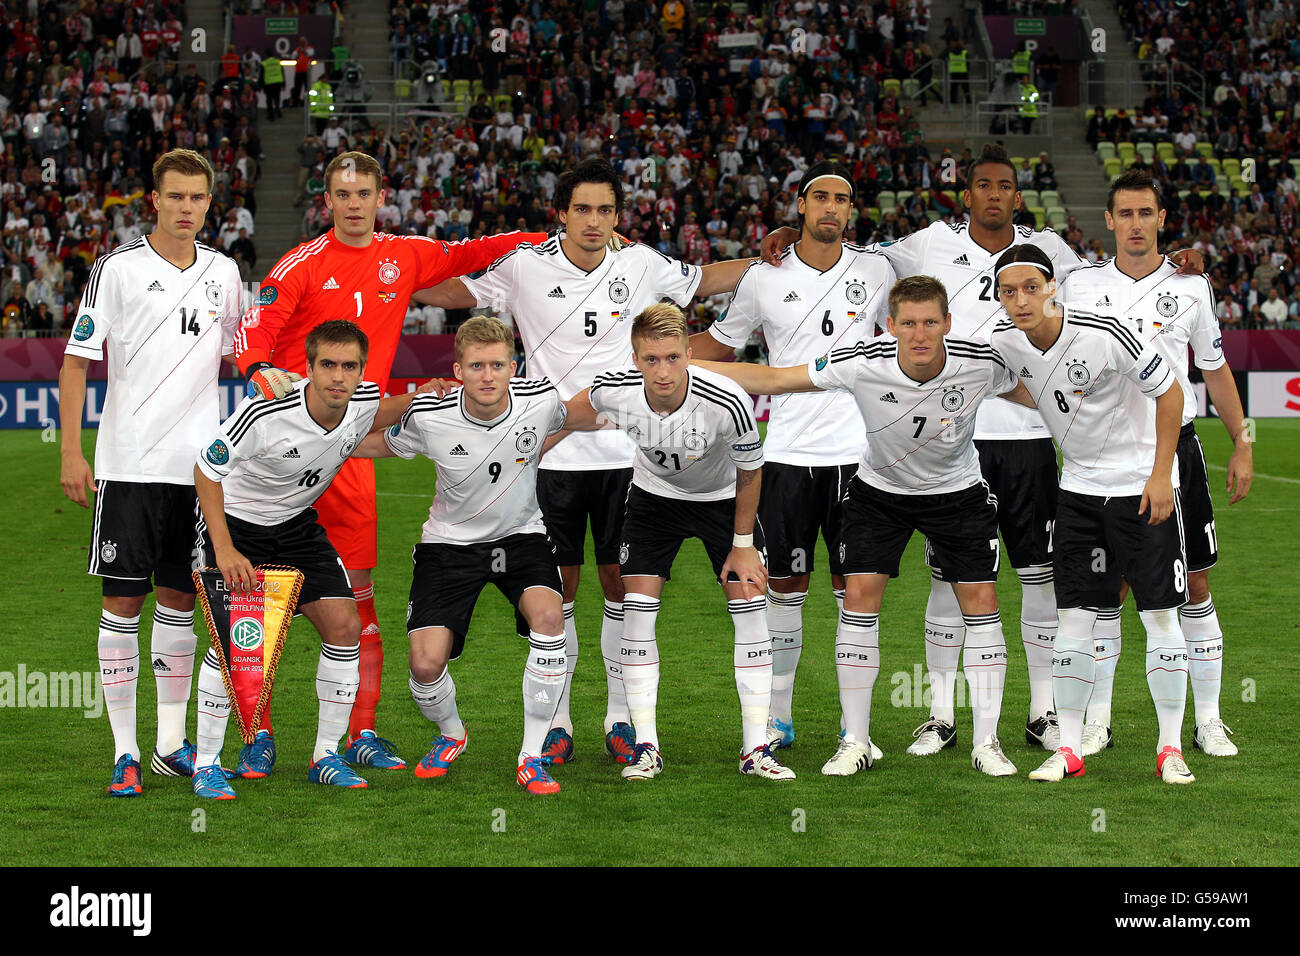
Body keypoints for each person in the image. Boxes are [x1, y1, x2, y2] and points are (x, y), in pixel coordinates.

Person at [417, 158, 771, 768]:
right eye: (582, 209)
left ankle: (617, 718)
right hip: (549, 454)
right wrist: (390, 276)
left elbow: (704, 279)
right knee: (560, 590)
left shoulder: (639, 263)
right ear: (561, 213)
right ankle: (557, 723)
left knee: (620, 588)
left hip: (627, 459)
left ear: (617, 215)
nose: (594, 221)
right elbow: (457, 292)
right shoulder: (525, 266)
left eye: (605, 210)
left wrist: (772, 263)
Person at [230, 150, 546, 778]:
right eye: (342, 194)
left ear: (380, 198)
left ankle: (360, 733)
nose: (353, 204)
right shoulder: (302, 263)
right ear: (328, 201)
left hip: (349, 452)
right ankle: (257, 734)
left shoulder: (403, 256)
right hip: (289, 449)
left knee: (356, 595)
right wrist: (259, 369)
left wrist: (551, 237)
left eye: (364, 194)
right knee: (259, 604)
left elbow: (470, 252)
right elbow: (254, 329)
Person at [699, 276, 1033, 778]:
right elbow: (775, 380)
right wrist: (686, 363)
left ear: (947, 323)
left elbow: (1039, 393)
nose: (919, 335)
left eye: (930, 323)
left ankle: (987, 742)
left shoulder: (981, 362)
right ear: (891, 324)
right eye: (909, 323)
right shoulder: (861, 361)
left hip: (958, 493)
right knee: (858, 599)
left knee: (982, 604)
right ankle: (854, 740)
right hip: (880, 494)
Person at [689, 162, 895, 753]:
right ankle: (777, 717)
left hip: (863, 457)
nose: (832, 207)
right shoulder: (762, 275)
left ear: (851, 212)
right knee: (784, 587)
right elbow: (723, 344)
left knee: (856, 589)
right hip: (786, 455)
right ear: (801, 207)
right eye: (821, 197)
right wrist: (662, 350)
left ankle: (856, 729)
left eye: (843, 199)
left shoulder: (877, 269)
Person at [58, 149, 244, 797]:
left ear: (209, 203)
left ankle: (170, 744)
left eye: (198, 198)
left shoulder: (225, 272)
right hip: (128, 464)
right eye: (177, 197)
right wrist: (71, 453)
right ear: (154, 201)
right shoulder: (117, 270)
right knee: (122, 602)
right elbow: (77, 362)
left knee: (179, 601)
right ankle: (125, 751)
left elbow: (242, 353)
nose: (187, 208)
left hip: (196, 473)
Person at [1057, 170, 1252, 758]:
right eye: (1126, 214)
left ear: (1161, 220)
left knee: (1193, 584)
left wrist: (1242, 441)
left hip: (1177, 452)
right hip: (1105, 456)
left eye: (1147, 213)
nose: (1137, 225)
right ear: (1109, 221)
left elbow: (1214, 368)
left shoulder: (1191, 286)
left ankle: (1209, 720)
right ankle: (1097, 720)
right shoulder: (1079, 285)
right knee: (1105, 592)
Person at [989, 245, 1195, 785]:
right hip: (1077, 491)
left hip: (1140, 490)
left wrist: (1159, 475)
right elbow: (1014, 381)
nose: (1020, 299)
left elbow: (1171, 394)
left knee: (1159, 616)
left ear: (1053, 287)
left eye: (1031, 287)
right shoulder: (1004, 340)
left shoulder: (1105, 331)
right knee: (1076, 619)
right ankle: (1070, 749)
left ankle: (1170, 748)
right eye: (1009, 291)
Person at [190, 321, 421, 799]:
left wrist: (435, 398)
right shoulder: (265, 412)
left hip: (296, 526)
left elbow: (378, 419)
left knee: (345, 626)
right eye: (328, 365)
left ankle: (324, 755)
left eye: (349, 366)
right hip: (239, 524)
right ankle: (207, 764)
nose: (338, 376)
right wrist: (226, 548)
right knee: (233, 646)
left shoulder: (361, 402)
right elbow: (206, 469)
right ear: (309, 368)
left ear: (361, 370)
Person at [559, 303, 789, 781]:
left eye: (672, 358)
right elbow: (562, 418)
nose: (662, 371)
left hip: (723, 499)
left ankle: (756, 749)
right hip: (653, 500)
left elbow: (751, 474)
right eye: (650, 360)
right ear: (635, 357)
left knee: (750, 606)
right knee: (637, 611)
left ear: (689, 352)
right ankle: (647, 748)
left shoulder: (727, 402)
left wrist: (742, 543)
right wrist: (523, 457)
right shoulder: (613, 390)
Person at [352, 317, 569, 795]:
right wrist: (318, 445)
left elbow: (576, 417)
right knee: (425, 666)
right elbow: (381, 445)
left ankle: (531, 755)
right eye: (476, 366)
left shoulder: (541, 401)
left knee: (550, 618)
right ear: (458, 369)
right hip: (449, 545)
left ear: (513, 367)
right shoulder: (430, 414)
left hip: (520, 538)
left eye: (496, 364)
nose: (487, 375)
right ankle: (452, 734)